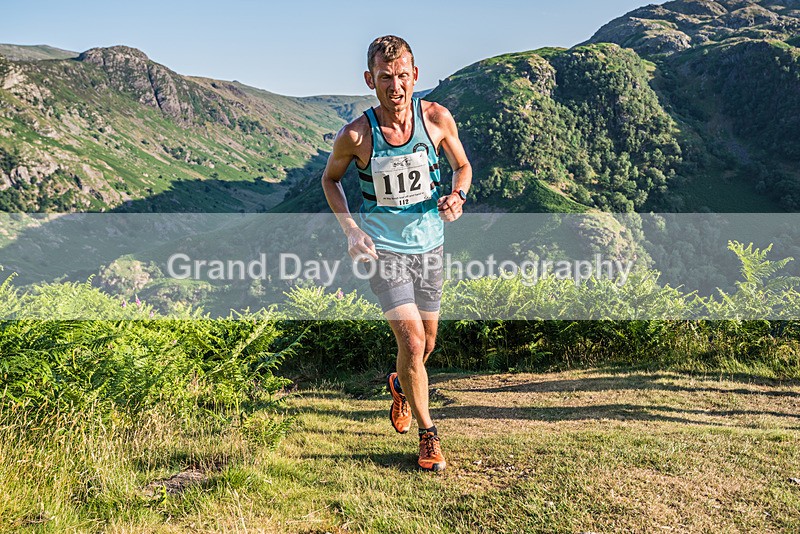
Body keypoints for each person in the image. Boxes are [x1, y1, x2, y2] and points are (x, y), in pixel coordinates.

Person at [321, 35, 472, 472]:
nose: (396, 86)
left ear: (415, 76)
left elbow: (462, 167)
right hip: (384, 250)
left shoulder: (438, 119)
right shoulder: (356, 134)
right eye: (385, 78)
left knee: (428, 344)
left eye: (403, 76)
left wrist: (457, 197)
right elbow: (330, 181)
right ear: (370, 80)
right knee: (412, 340)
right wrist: (350, 229)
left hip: (431, 246)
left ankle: (401, 385)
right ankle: (429, 436)